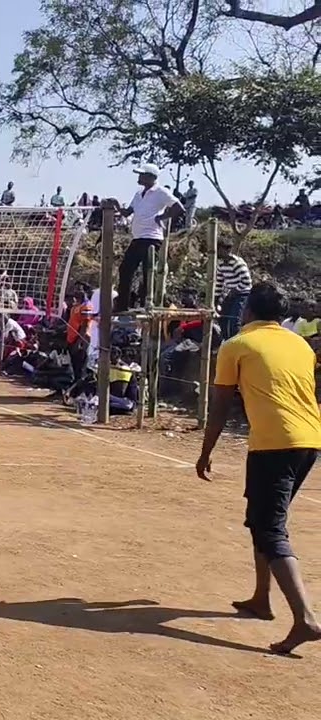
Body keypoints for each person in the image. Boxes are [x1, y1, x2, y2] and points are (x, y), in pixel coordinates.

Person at [196, 282, 321, 655]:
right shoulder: (298, 343)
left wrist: (205, 453)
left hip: (274, 443)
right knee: (261, 517)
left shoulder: (236, 345)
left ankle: (306, 618)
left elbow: (220, 405)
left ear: (248, 311)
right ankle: (261, 598)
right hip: (309, 440)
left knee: (270, 527)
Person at [114, 163, 184, 312]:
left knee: (149, 273)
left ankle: (147, 305)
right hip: (138, 237)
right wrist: (117, 205)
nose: (139, 177)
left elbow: (178, 207)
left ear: (151, 177)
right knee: (125, 269)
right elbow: (128, 212)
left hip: (152, 238)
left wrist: (162, 217)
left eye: (142, 175)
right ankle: (122, 306)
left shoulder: (161, 192)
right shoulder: (138, 194)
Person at [215, 239, 252, 338]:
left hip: (242, 293)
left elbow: (247, 281)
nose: (217, 252)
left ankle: (235, 339)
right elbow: (219, 283)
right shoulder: (221, 264)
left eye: (219, 249)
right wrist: (216, 299)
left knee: (234, 320)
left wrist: (235, 290)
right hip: (231, 294)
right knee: (222, 317)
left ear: (226, 250)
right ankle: (226, 339)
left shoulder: (237, 263)